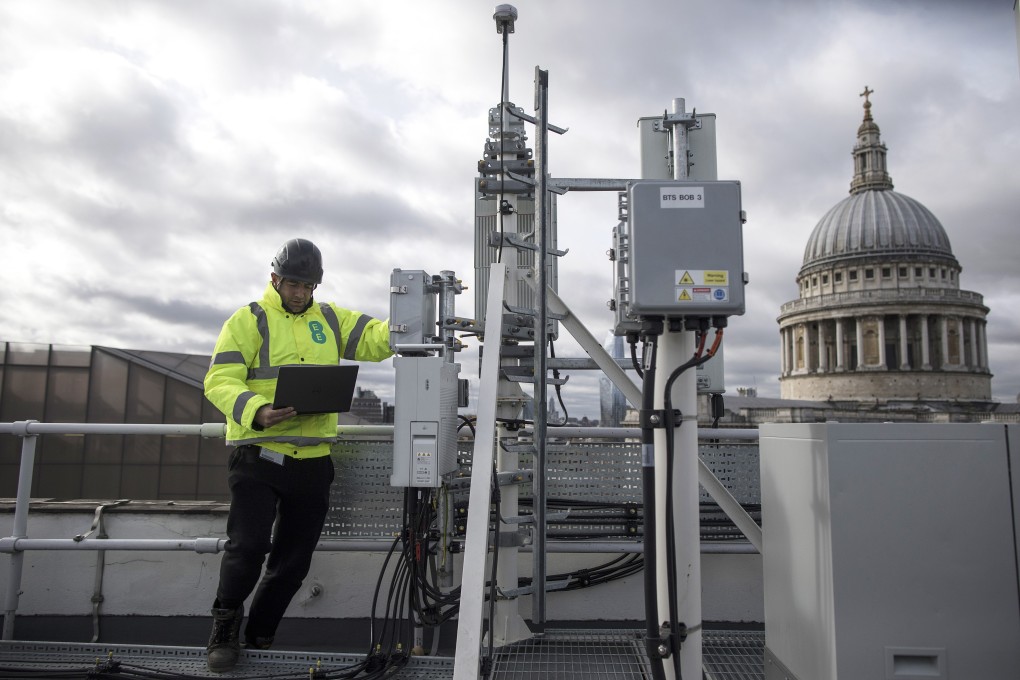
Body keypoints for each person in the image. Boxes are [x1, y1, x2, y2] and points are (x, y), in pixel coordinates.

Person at [202, 238, 393, 672]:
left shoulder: (330, 318)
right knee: (248, 547)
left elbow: (376, 339)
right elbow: (219, 380)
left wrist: (410, 314)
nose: (300, 293)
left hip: (312, 460)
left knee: (293, 562)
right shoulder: (248, 320)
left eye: (308, 286)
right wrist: (257, 410)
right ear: (275, 279)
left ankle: (259, 635)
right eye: (293, 284)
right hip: (259, 455)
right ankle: (225, 628)